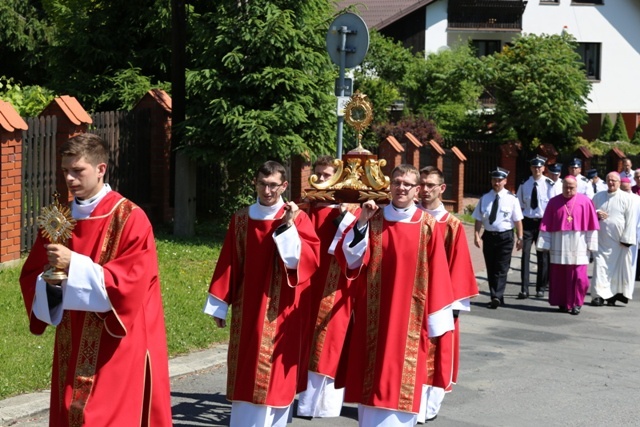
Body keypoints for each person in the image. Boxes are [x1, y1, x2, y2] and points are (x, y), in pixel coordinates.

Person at [19, 133, 173, 426]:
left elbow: (130, 284)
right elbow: (32, 275)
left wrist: (73, 265)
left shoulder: (130, 218)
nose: (69, 178)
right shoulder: (58, 218)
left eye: (78, 171)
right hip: (70, 338)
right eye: (65, 170)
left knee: (102, 416)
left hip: (115, 341)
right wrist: (49, 282)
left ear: (101, 169)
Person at [336, 164, 454, 427]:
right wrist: (363, 222)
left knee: (404, 384)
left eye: (407, 184)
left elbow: (438, 274)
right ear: (390, 186)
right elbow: (351, 260)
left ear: (417, 190)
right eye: (397, 182)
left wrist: (437, 323)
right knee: (370, 386)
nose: (401, 188)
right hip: (373, 316)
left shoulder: (428, 226)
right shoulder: (373, 218)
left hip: (411, 319)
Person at [204, 160, 320, 427]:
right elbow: (230, 262)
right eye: (262, 184)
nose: (267, 191)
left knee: (276, 378)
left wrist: (288, 226)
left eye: (273, 186)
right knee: (247, 370)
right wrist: (220, 303)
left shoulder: (298, 218)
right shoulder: (242, 219)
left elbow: (303, 262)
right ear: (255, 183)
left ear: (284, 186)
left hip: (284, 309)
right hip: (249, 307)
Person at [297, 156, 359, 419]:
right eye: (318, 175)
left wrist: (344, 215)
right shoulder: (304, 209)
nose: (322, 180)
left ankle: (325, 405)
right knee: (303, 339)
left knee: (330, 341)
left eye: (327, 175)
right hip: (305, 286)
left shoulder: (351, 211)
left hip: (336, 287)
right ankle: (302, 399)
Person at [417, 166, 478, 424]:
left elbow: (459, 266)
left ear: (442, 188)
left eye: (431, 184)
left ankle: (428, 407)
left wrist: (452, 306)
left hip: (439, 300)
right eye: (422, 184)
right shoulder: (411, 217)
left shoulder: (450, 224)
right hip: (409, 299)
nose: (425, 189)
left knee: (435, 353)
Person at [536, 176, 599, 315]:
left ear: (577, 187)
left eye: (572, 188)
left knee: (579, 277)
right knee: (560, 276)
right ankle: (563, 302)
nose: (568, 190)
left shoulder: (585, 201)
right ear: (562, 186)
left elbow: (591, 226)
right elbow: (546, 224)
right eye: (566, 187)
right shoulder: (554, 202)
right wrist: (545, 244)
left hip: (579, 245)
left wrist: (592, 244)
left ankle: (577, 303)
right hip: (559, 244)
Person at [473, 167, 524, 308]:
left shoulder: (511, 199)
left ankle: (496, 296)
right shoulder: (485, 199)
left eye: (500, 180)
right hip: (489, 236)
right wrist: (476, 235)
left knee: (501, 268)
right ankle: (496, 295)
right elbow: (478, 218)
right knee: (491, 267)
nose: (497, 183)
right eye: (494, 180)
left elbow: (518, 220)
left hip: (505, 237)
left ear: (505, 181)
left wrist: (520, 238)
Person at [590, 172, 638, 307]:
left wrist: (627, 239)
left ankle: (611, 295)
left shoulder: (627, 198)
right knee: (599, 267)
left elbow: (630, 220)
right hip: (601, 240)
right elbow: (590, 213)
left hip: (619, 242)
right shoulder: (598, 196)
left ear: (619, 182)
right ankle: (598, 296)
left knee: (616, 270)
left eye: (614, 181)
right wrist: (596, 213)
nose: (611, 183)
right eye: (608, 180)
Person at [515, 155, 553, 299]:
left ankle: (540, 288)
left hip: (543, 222)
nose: (537, 169)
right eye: (534, 167)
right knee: (525, 254)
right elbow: (518, 204)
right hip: (528, 222)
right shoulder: (524, 184)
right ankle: (524, 289)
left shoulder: (549, 184)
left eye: (539, 167)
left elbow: (553, 206)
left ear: (544, 168)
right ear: (531, 168)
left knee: (542, 256)